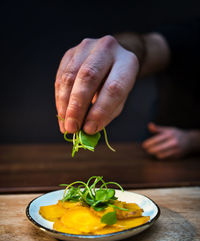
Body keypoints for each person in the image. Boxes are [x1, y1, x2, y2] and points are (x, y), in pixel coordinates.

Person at [55, 19, 200, 159]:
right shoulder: (192, 34)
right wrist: (119, 50)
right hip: (151, 152)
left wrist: (192, 140)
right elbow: (150, 46)